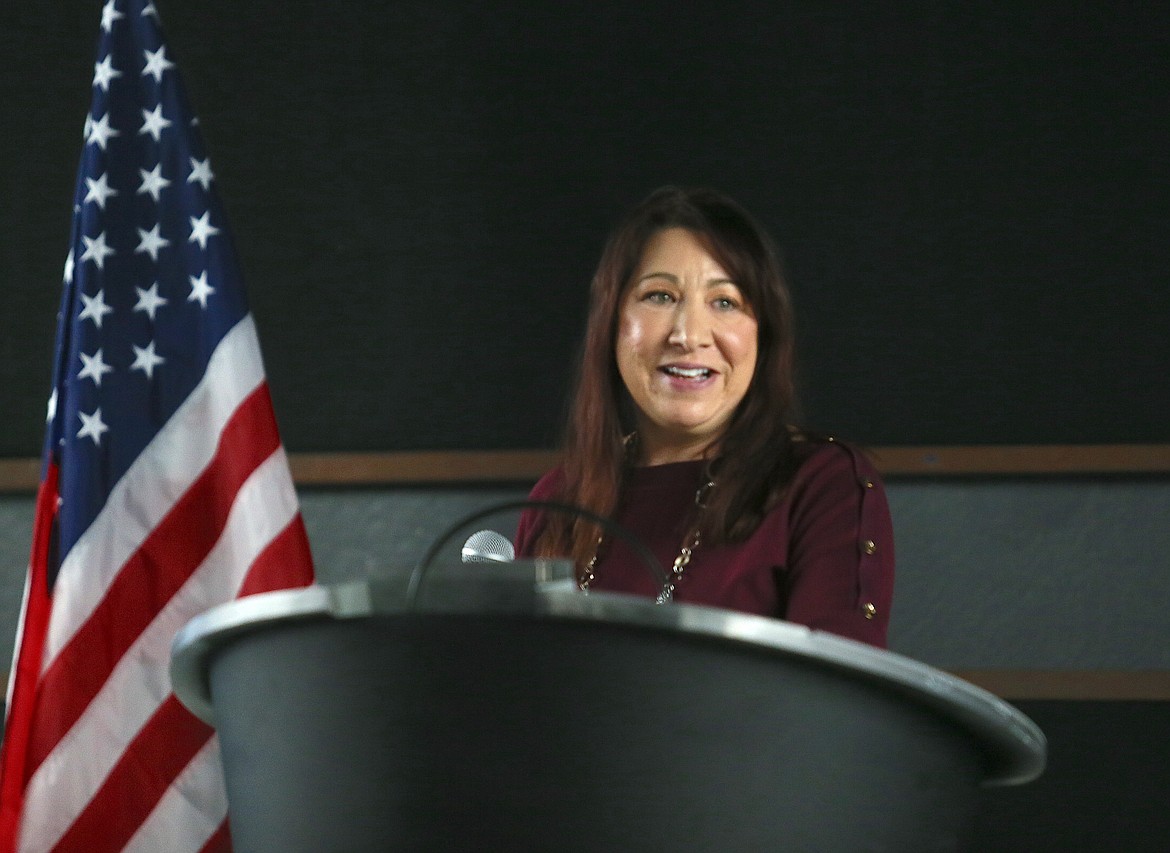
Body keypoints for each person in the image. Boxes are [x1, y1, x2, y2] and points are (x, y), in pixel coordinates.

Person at [514, 186, 894, 648]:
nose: (689, 335)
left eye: (725, 302)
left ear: (764, 335)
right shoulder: (557, 500)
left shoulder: (822, 484)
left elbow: (835, 707)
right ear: (611, 324)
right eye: (659, 296)